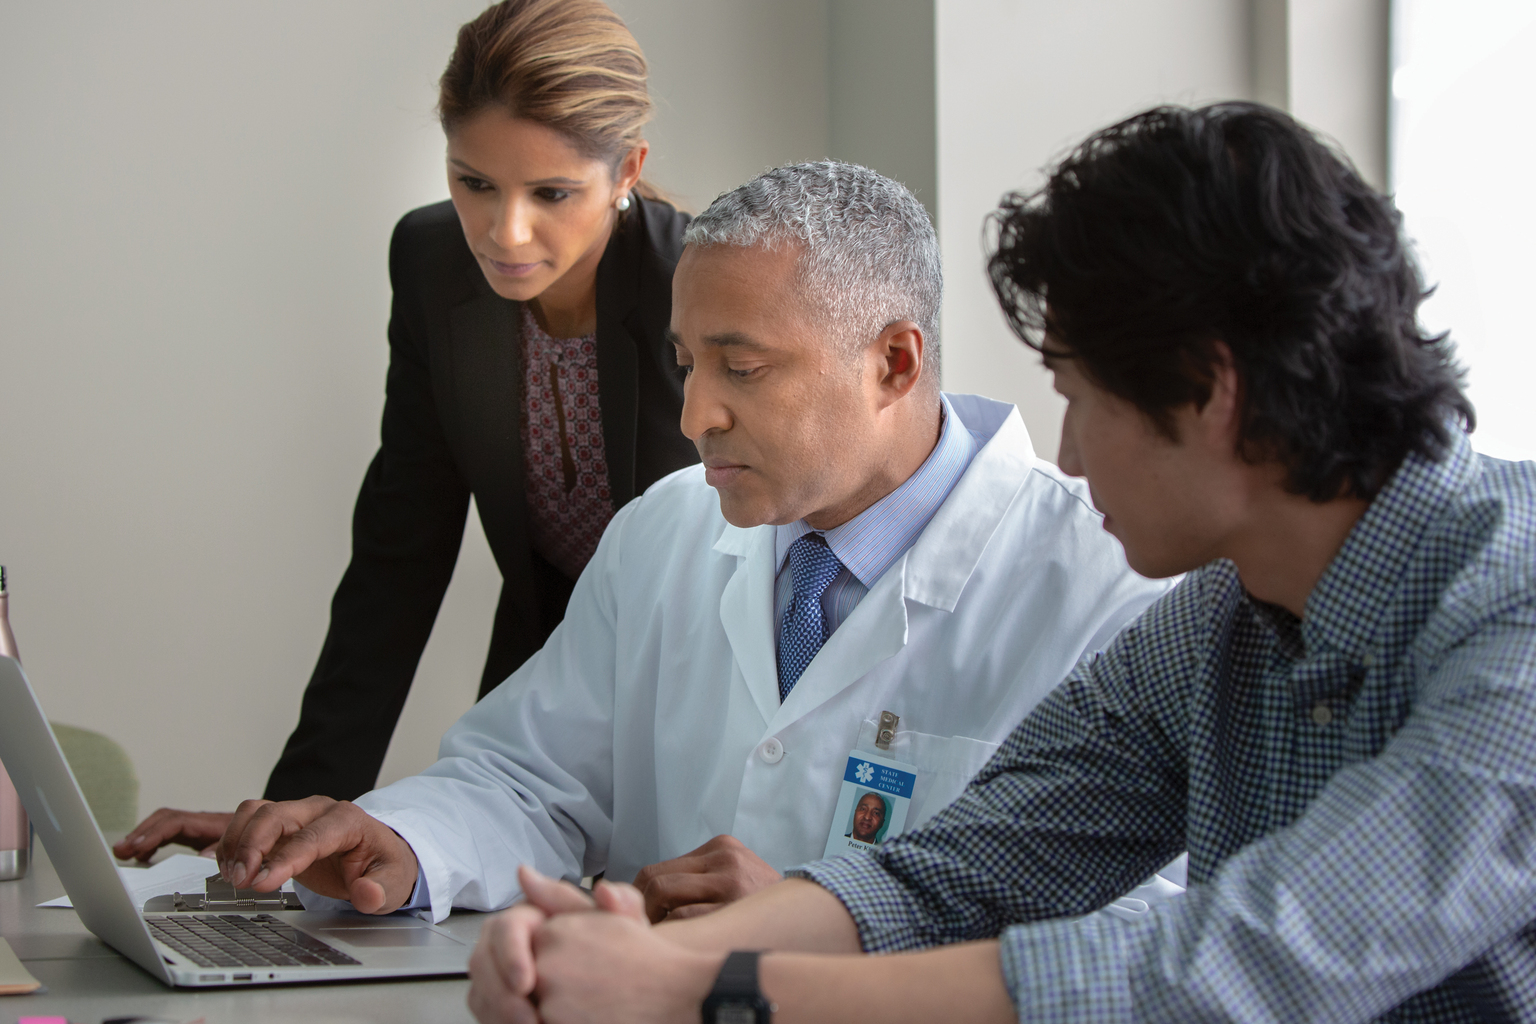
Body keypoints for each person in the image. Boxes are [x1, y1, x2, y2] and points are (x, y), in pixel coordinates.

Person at [465, 103, 1536, 1024]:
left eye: (1078, 397)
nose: (1065, 452)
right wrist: (645, 959)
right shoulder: (1220, 621)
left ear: (1210, 391)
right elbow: (957, 872)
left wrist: (715, 992)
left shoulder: (1516, 613)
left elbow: (1230, 963)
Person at [207, 161, 1172, 925]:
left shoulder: (1106, 589)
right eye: (685, 363)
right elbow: (530, 778)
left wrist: (824, 929)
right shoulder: (666, 529)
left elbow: (1149, 934)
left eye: (742, 368)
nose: (696, 411)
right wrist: (401, 840)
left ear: (893, 362)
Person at [115, 0, 699, 861]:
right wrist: (295, 811)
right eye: (474, 182)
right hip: (544, 666)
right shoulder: (430, 263)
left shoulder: (697, 275)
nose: (505, 233)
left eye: (552, 193)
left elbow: (741, 555)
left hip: (702, 674)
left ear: (627, 170)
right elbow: (402, 544)